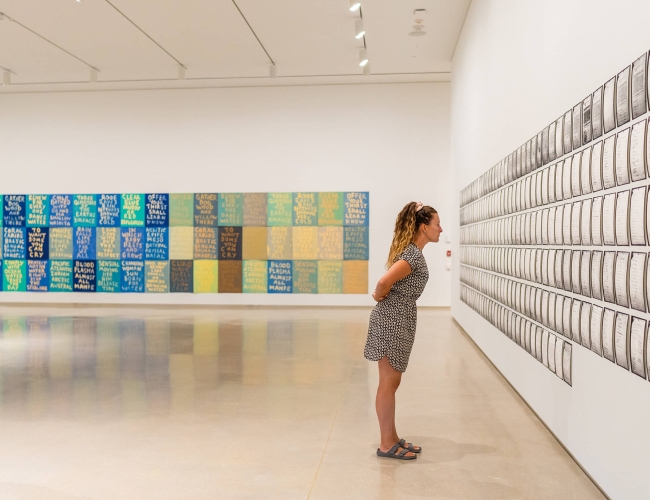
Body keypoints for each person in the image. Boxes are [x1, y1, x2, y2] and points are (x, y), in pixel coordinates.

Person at [364, 201, 442, 460]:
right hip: (391, 319)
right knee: (388, 383)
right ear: (423, 227)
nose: (440, 229)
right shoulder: (411, 256)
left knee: (391, 382)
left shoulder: (413, 253)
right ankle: (386, 444)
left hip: (400, 318)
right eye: (436, 224)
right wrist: (378, 295)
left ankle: (392, 437)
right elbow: (384, 281)